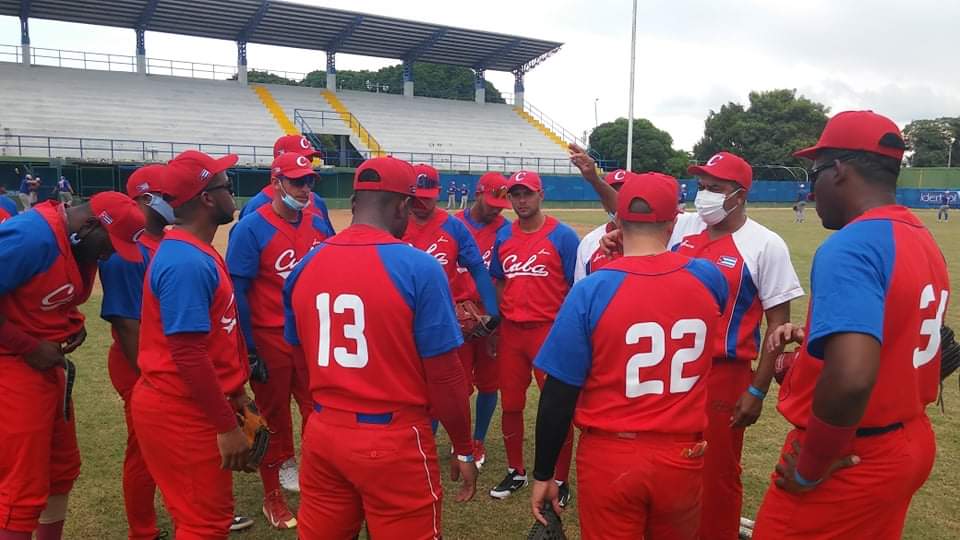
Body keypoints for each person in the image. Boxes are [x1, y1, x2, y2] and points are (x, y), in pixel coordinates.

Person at [752, 111, 951, 539]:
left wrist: (810, 468)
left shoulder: (850, 245)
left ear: (839, 171)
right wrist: (811, 344)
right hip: (907, 441)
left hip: (852, 454)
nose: (812, 186)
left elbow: (852, 377)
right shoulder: (919, 235)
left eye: (815, 172)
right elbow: (893, 335)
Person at [283, 156, 478, 538]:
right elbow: (446, 375)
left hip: (324, 431)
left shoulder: (306, 264)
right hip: (393, 438)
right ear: (402, 206)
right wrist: (463, 447)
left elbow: (298, 359)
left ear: (354, 203)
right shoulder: (419, 267)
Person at [531, 172, 728, 540]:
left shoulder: (593, 288)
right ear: (673, 222)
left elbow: (558, 393)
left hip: (611, 453)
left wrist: (544, 473)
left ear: (618, 221)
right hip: (682, 452)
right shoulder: (708, 276)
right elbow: (676, 276)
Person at [0, 191, 146, 540]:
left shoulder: (78, 241)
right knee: (21, 484)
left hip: (46, 368)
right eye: (110, 246)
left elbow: (44, 294)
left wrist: (70, 321)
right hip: (13, 366)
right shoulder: (33, 237)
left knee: (60, 469)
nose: (110, 255)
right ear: (91, 225)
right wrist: (29, 346)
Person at [131, 150, 257, 540]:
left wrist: (235, 394)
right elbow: (187, 354)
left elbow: (212, 339)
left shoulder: (193, 250)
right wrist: (225, 425)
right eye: (225, 185)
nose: (231, 191)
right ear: (206, 198)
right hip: (181, 410)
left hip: (191, 402)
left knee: (201, 517)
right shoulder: (186, 260)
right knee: (204, 524)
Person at [226, 152, 335, 529]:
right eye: (296, 181)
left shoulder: (319, 222)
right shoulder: (251, 227)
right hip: (271, 340)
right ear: (276, 183)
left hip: (311, 337)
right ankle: (272, 497)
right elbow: (237, 291)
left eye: (309, 182)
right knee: (272, 420)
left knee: (318, 411)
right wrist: (250, 346)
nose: (305, 189)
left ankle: (318, 479)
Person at [488, 170, 580, 504]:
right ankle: (516, 470)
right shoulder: (504, 236)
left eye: (527, 193)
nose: (521, 201)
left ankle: (559, 478)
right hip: (513, 332)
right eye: (515, 195)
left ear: (541, 194)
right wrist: (500, 322)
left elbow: (575, 286)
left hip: (549, 332)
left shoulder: (563, 236)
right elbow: (499, 280)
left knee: (556, 406)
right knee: (510, 404)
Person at [98, 165, 176, 540]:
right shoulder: (124, 251)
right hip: (139, 364)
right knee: (144, 450)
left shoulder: (167, 242)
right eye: (168, 196)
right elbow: (126, 323)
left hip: (167, 361)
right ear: (146, 199)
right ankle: (142, 530)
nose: (174, 203)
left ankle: (190, 513)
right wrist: (149, 376)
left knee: (178, 444)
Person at [450, 171, 513, 466]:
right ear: (477, 194)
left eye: (501, 203)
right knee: (456, 385)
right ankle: (459, 440)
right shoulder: (453, 225)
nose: (497, 208)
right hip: (457, 317)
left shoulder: (506, 230)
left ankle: (478, 440)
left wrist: (496, 320)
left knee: (489, 383)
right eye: (491, 202)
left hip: (490, 316)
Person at [237, 135, 335, 233]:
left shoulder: (317, 202)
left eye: (310, 160)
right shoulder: (255, 206)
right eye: (300, 159)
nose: (306, 165)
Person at [570, 169, 626, 283]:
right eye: (610, 195)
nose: (618, 202)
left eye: (625, 195)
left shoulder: (661, 240)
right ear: (603, 203)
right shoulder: (589, 242)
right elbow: (582, 291)